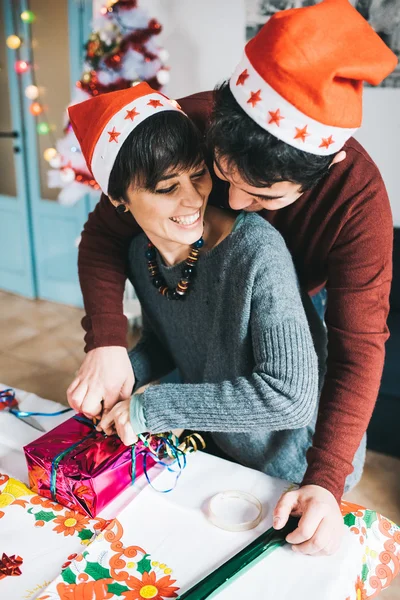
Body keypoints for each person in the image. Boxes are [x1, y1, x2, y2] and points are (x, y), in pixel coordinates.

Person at [67, 0, 397, 555]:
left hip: (295, 316)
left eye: (265, 195)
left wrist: (325, 477)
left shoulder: (356, 203)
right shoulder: (182, 130)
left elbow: (355, 349)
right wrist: (108, 343)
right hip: (210, 290)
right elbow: (104, 235)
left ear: (326, 169)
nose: (236, 203)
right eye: (219, 173)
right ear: (215, 120)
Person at [68, 79, 324, 538]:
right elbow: (172, 345)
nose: (192, 200)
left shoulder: (257, 253)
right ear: (118, 199)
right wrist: (120, 379)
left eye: (198, 175)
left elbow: (290, 397)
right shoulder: (138, 254)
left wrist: (150, 408)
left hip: (295, 468)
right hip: (224, 452)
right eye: (168, 187)